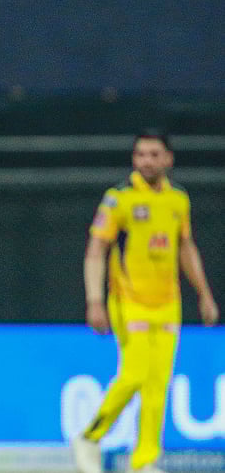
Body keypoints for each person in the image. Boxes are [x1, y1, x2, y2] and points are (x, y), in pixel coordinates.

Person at [72, 133, 219, 473]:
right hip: (128, 300)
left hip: (167, 302)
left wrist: (204, 293)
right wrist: (94, 300)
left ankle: (144, 461)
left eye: (154, 154)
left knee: (157, 383)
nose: (146, 161)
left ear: (168, 159)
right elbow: (96, 251)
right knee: (135, 373)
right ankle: (90, 438)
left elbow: (185, 246)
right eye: (140, 154)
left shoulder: (178, 199)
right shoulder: (119, 199)